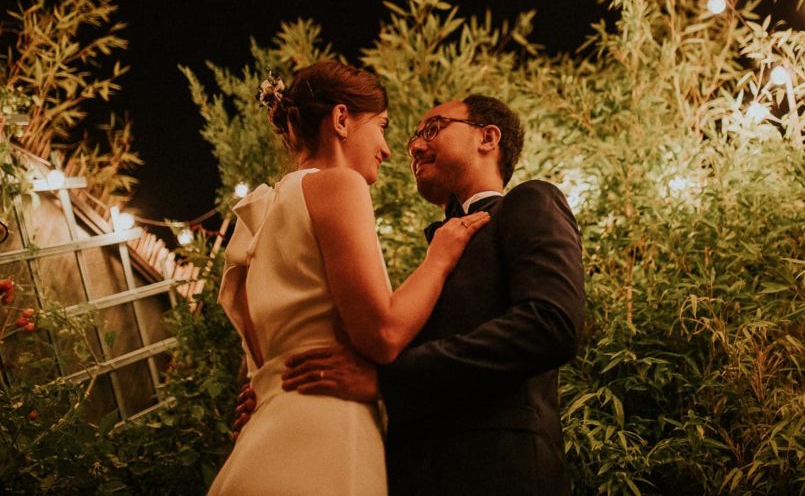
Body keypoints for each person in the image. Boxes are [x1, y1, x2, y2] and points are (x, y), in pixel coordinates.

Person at [207, 61, 490, 496]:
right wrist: (438, 259)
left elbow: (262, 364)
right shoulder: (339, 185)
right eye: (382, 126)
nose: (389, 148)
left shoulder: (260, 216)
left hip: (266, 434)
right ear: (341, 120)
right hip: (327, 433)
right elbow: (382, 333)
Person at [282, 95, 586, 495]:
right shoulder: (431, 260)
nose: (414, 146)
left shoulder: (532, 201)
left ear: (487, 138)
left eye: (432, 128)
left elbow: (551, 324)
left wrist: (390, 381)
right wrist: (281, 394)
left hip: (500, 473)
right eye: (413, 138)